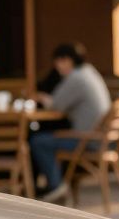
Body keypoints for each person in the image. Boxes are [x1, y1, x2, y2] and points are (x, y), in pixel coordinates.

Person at [30, 43, 111, 202]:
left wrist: (40, 97)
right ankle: (56, 185)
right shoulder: (90, 72)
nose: (57, 67)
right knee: (48, 137)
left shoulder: (77, 77)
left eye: (58, 62)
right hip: (100, 138)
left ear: (67, 60)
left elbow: (57, 104)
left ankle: (56, 187)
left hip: (86, 139)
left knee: (39, 141)